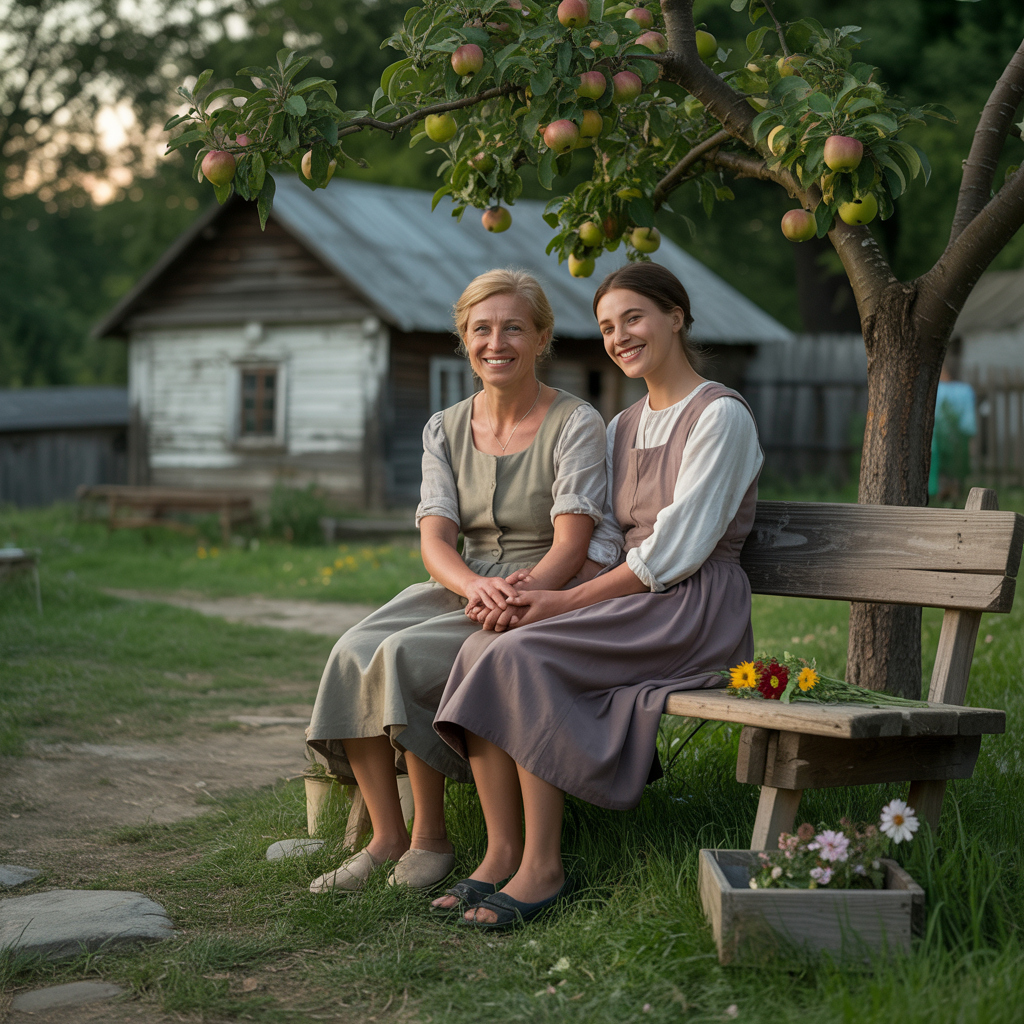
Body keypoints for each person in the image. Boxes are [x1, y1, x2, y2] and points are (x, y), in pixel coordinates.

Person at [433, 262, 764, 928]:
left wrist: (562, 605)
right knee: (483, 647)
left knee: (523, 656)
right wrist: (529, 593)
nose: (620, 337)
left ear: (676, 316)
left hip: (692, 607)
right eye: (608, 327)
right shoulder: (623, 425)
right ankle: (500, 853)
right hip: (631, 596)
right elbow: (608, 539)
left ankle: (543, 866)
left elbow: (674, 551)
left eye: (634, 318)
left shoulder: (721, 415)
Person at [305, 269, 620, 895]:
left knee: (404, 654)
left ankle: (431, 839)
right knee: (351, 651)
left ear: (542, 338)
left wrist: (522, 598)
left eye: (513, 328)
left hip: (539, 586)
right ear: (464, 339)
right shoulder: (444, 428)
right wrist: (473, 586)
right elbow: (435, 540)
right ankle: (386, 837)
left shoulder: (574, 421)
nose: (496, 343)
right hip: (464, 581)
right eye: (481, 330)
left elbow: (572, 543)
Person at [929, 361, 976, 504]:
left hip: (938, 437)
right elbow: (969, 421)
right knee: (956, 470)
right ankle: (953, 497)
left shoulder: (936, 389)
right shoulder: (965, 390)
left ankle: (942, 497)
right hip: (958, 438)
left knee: (940, 469)